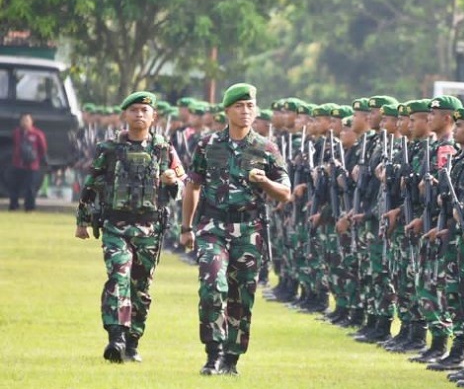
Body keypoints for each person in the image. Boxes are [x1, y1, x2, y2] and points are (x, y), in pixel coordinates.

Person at [180, 83, 291, 376]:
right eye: (239, 106)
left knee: (242, 296)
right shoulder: (208, 145)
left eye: (250, 106)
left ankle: (232, 357)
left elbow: (285, 192)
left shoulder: (266, 148)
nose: (246, 111)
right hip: (213, 225)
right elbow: (193, 184)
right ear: (227, 110)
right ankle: (213, 353)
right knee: (212, 285)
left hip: (248, 229)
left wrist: (265, 183)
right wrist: (186, 227)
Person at [75, 91, 184, 363]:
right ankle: (116, 337)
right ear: (124, 115)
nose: (139, 115)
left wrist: (172, 181)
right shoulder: (109, 149)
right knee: (118, 278)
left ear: (153, 117)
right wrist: (83, 221)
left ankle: (133, 341)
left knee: (141, 288)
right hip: (115, 227)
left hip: (149, 230)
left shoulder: (164, 148)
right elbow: (92, 185)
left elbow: (182, 186)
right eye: (133, 110)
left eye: (144, 111)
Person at [9, 113, 48, 211]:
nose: (24, 123)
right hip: (17, 164)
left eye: (27, 120)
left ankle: (30, 207)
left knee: (30, 188)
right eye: (23, 120)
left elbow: (42, 148)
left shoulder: (37, 134)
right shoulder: (17, 133)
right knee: (14, 187)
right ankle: (13, 206)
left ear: (31, 122)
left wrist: (36, 158)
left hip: (32, 165)